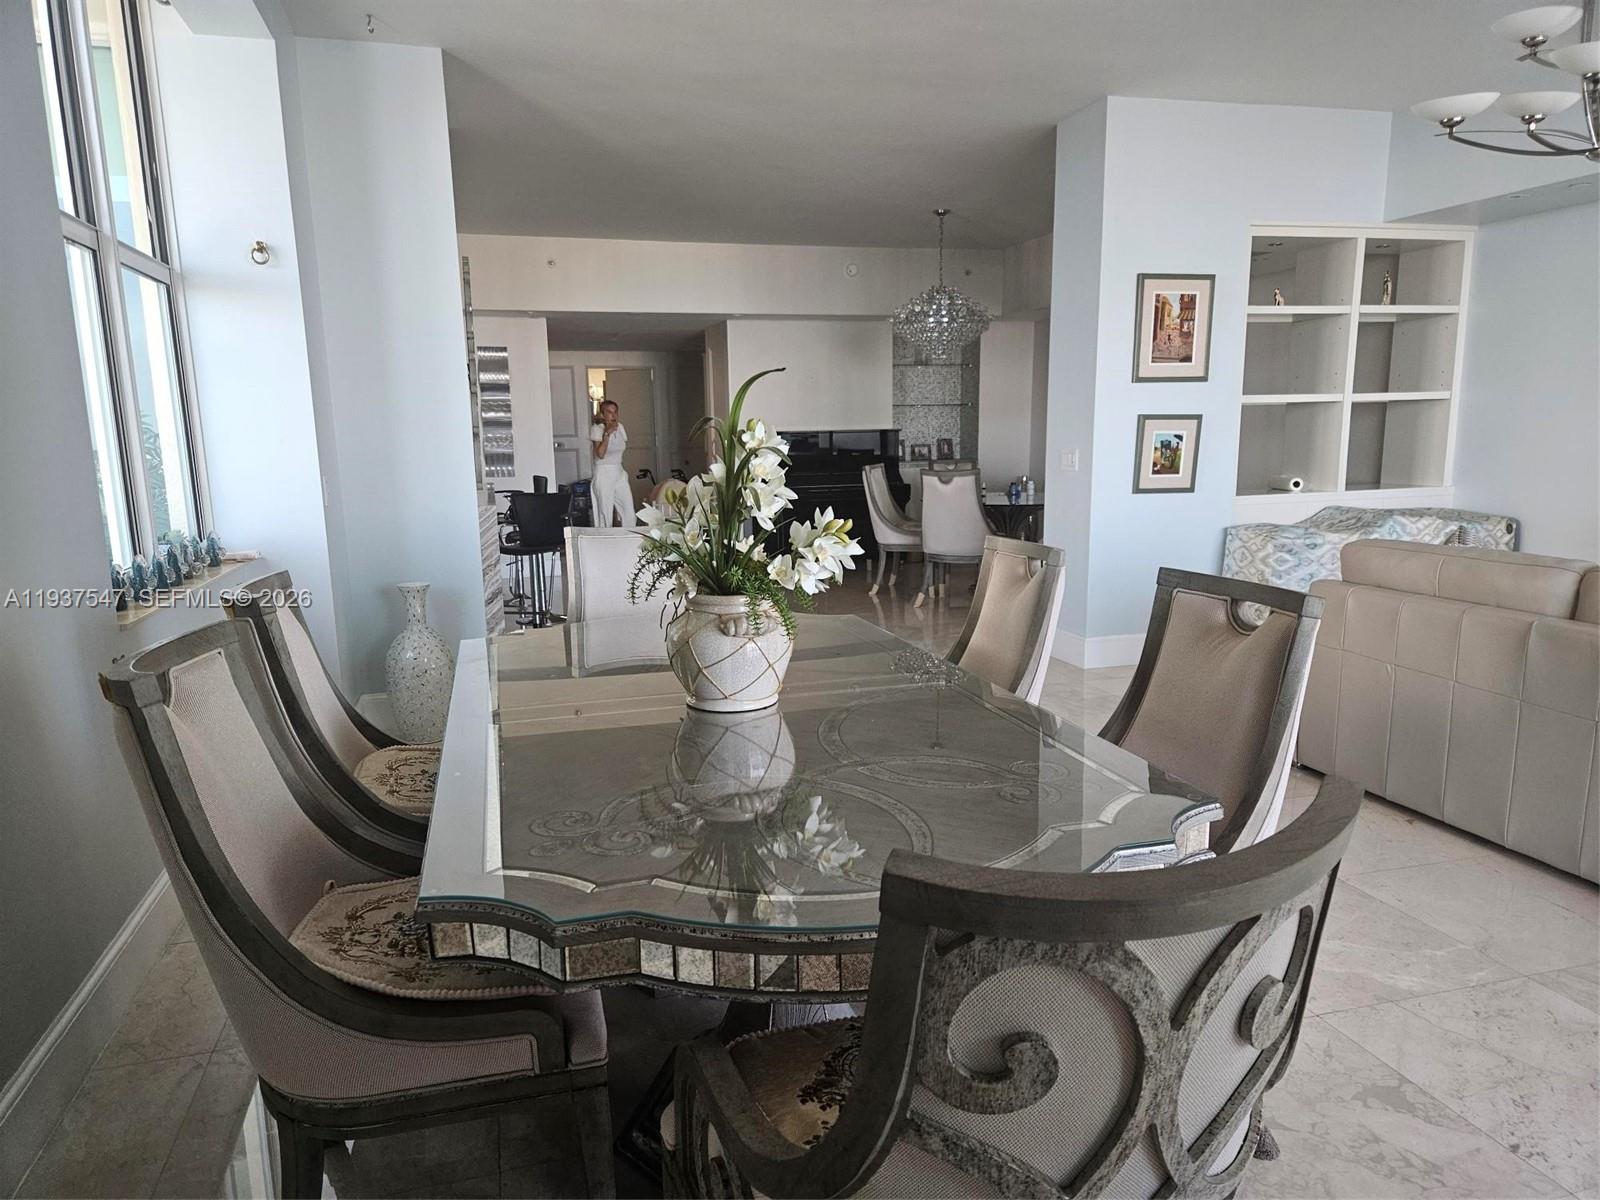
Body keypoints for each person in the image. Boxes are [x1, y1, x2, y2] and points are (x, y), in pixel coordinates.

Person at [588, 399, 634, 527]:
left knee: (629, 511)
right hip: (604, 473)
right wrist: (607, 433)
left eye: (615, 412)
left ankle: (629, 536)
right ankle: (604, 537)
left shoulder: (621, 428)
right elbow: (600, 454)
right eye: (609, 412)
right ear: (602, 415)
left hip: (619, 472)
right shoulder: (597, 429)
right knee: (605, 513)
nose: (613, 415)